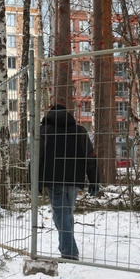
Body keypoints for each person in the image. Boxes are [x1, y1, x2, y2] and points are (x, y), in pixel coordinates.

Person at [38, 103, 99, 261]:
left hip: (52, 179)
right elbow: (90, 156)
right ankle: (65, 246)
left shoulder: (44, 131)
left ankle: (69, 252)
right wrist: (94, 179)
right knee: (66, 215)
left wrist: (36, 181)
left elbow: (38, 158)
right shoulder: (80, 131)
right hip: (74, 179)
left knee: (62, 215)